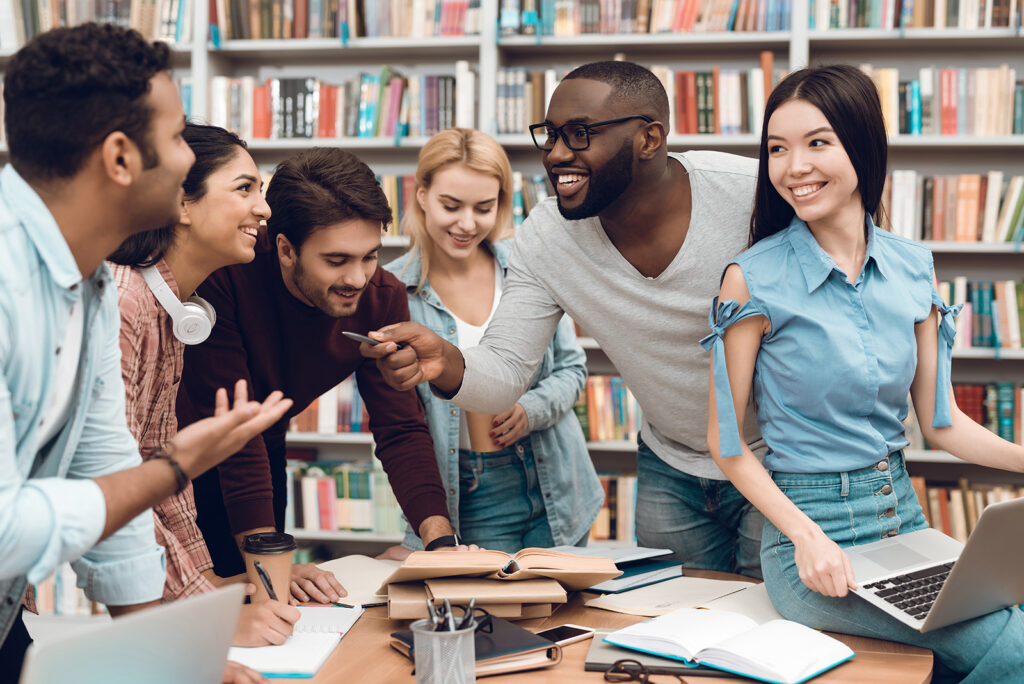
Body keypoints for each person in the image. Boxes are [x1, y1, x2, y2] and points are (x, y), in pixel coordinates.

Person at [361, 61, 766, 576]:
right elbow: (506, 370)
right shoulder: (546, 237)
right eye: (550, 135)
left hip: (778, 456)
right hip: (671, 466)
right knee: (675, 626)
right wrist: (445, 361)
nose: (555, 154)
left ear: (649, 138)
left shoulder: (751, 193)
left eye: (579, 134)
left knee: (776, 626)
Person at [703, 64, 1024, 681]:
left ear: (863, 145)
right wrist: (805, 537)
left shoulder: (913, 268)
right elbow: (726, 443)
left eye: (817, 142)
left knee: (1004, 626)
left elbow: (943, 422)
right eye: (777, 148)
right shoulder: (751, 279)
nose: (794, 167)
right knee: (1010, 649)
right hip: (814, 543)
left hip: (904, 522)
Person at [0, 24, 290, 682]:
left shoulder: (95, 281)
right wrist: (172, 469)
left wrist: (179, 658)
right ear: (122, 158)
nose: (190, 157)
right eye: (180, 135)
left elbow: (103, 474)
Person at [176, 147, 465, 584]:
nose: (357, 279)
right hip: (184, 455)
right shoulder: (225, 278)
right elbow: (235, 432)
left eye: (369, 255)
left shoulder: (381, 295)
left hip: (262, 446)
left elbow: (400, 427)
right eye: (336, 261)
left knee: (273, 608)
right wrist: (269, 569)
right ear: (286, 249)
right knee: (214, 604)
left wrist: (440, 544)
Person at [108, 123, 315, 650]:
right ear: (182, 203)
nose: (265, 210)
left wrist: (206, 589)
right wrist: (199, 619)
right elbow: (123, 485)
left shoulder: (172, 306)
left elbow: (161, 475)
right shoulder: (125, 303)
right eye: (244, 189)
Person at [383, 128, 602, 555]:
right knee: (495, 617)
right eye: (451, 205)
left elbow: (573, 370)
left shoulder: (526, 267)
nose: (467, 224)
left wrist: (530, 409)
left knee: (565, 615)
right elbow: (396, 422)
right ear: (422, 195)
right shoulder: (391, 293)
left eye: (484, 208)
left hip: (556, 481)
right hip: (468, 492)